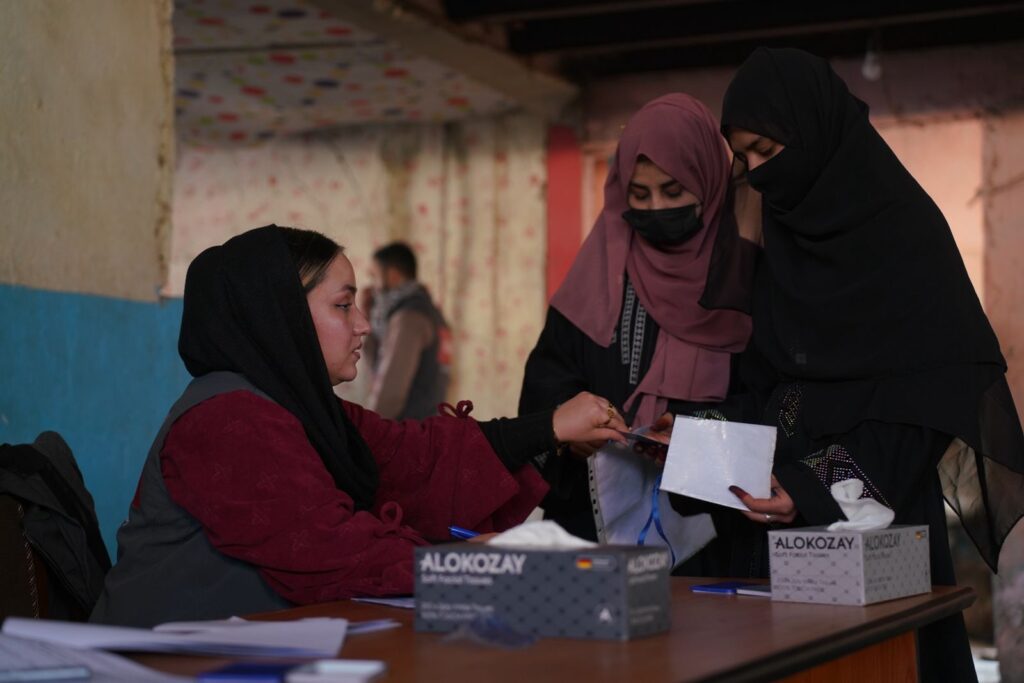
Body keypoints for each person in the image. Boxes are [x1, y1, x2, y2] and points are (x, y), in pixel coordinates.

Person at [91, 225, 628, 627]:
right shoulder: (227, 419)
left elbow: (413, 457)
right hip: (164, 661)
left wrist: (551, 427)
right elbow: (326, 547)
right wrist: (465, 560)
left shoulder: (300, 409)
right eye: (343, 306)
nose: (364, 325)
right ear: (282, 315)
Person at [706, 47, 1024, 682]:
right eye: (744, 159)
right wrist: (698, 431)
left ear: (814, 131)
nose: (759, 175)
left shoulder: (904, 234)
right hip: (773, 530)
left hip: (879, 524)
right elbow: (771, 386)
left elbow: (935, 396)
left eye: (767, 150)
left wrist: (810, 484)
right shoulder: (780, 241)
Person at [519, 94, 753, 543]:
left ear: (709, 183)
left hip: (714, 531)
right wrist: (570, 430)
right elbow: (545, 387)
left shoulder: (743, 282)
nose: (655, 208)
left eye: (673, 191)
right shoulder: (597, 277)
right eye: (639, 194)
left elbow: (771, 402)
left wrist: (695, 430)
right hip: (594, 528)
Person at [363, 242, 449, 420]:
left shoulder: (408, 318)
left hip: (407, 430)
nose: (372, 287)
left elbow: (390, 392)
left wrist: (368, 430)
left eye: (374, 277)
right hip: (428, 426)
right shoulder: (433, 314)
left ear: (393, 275)